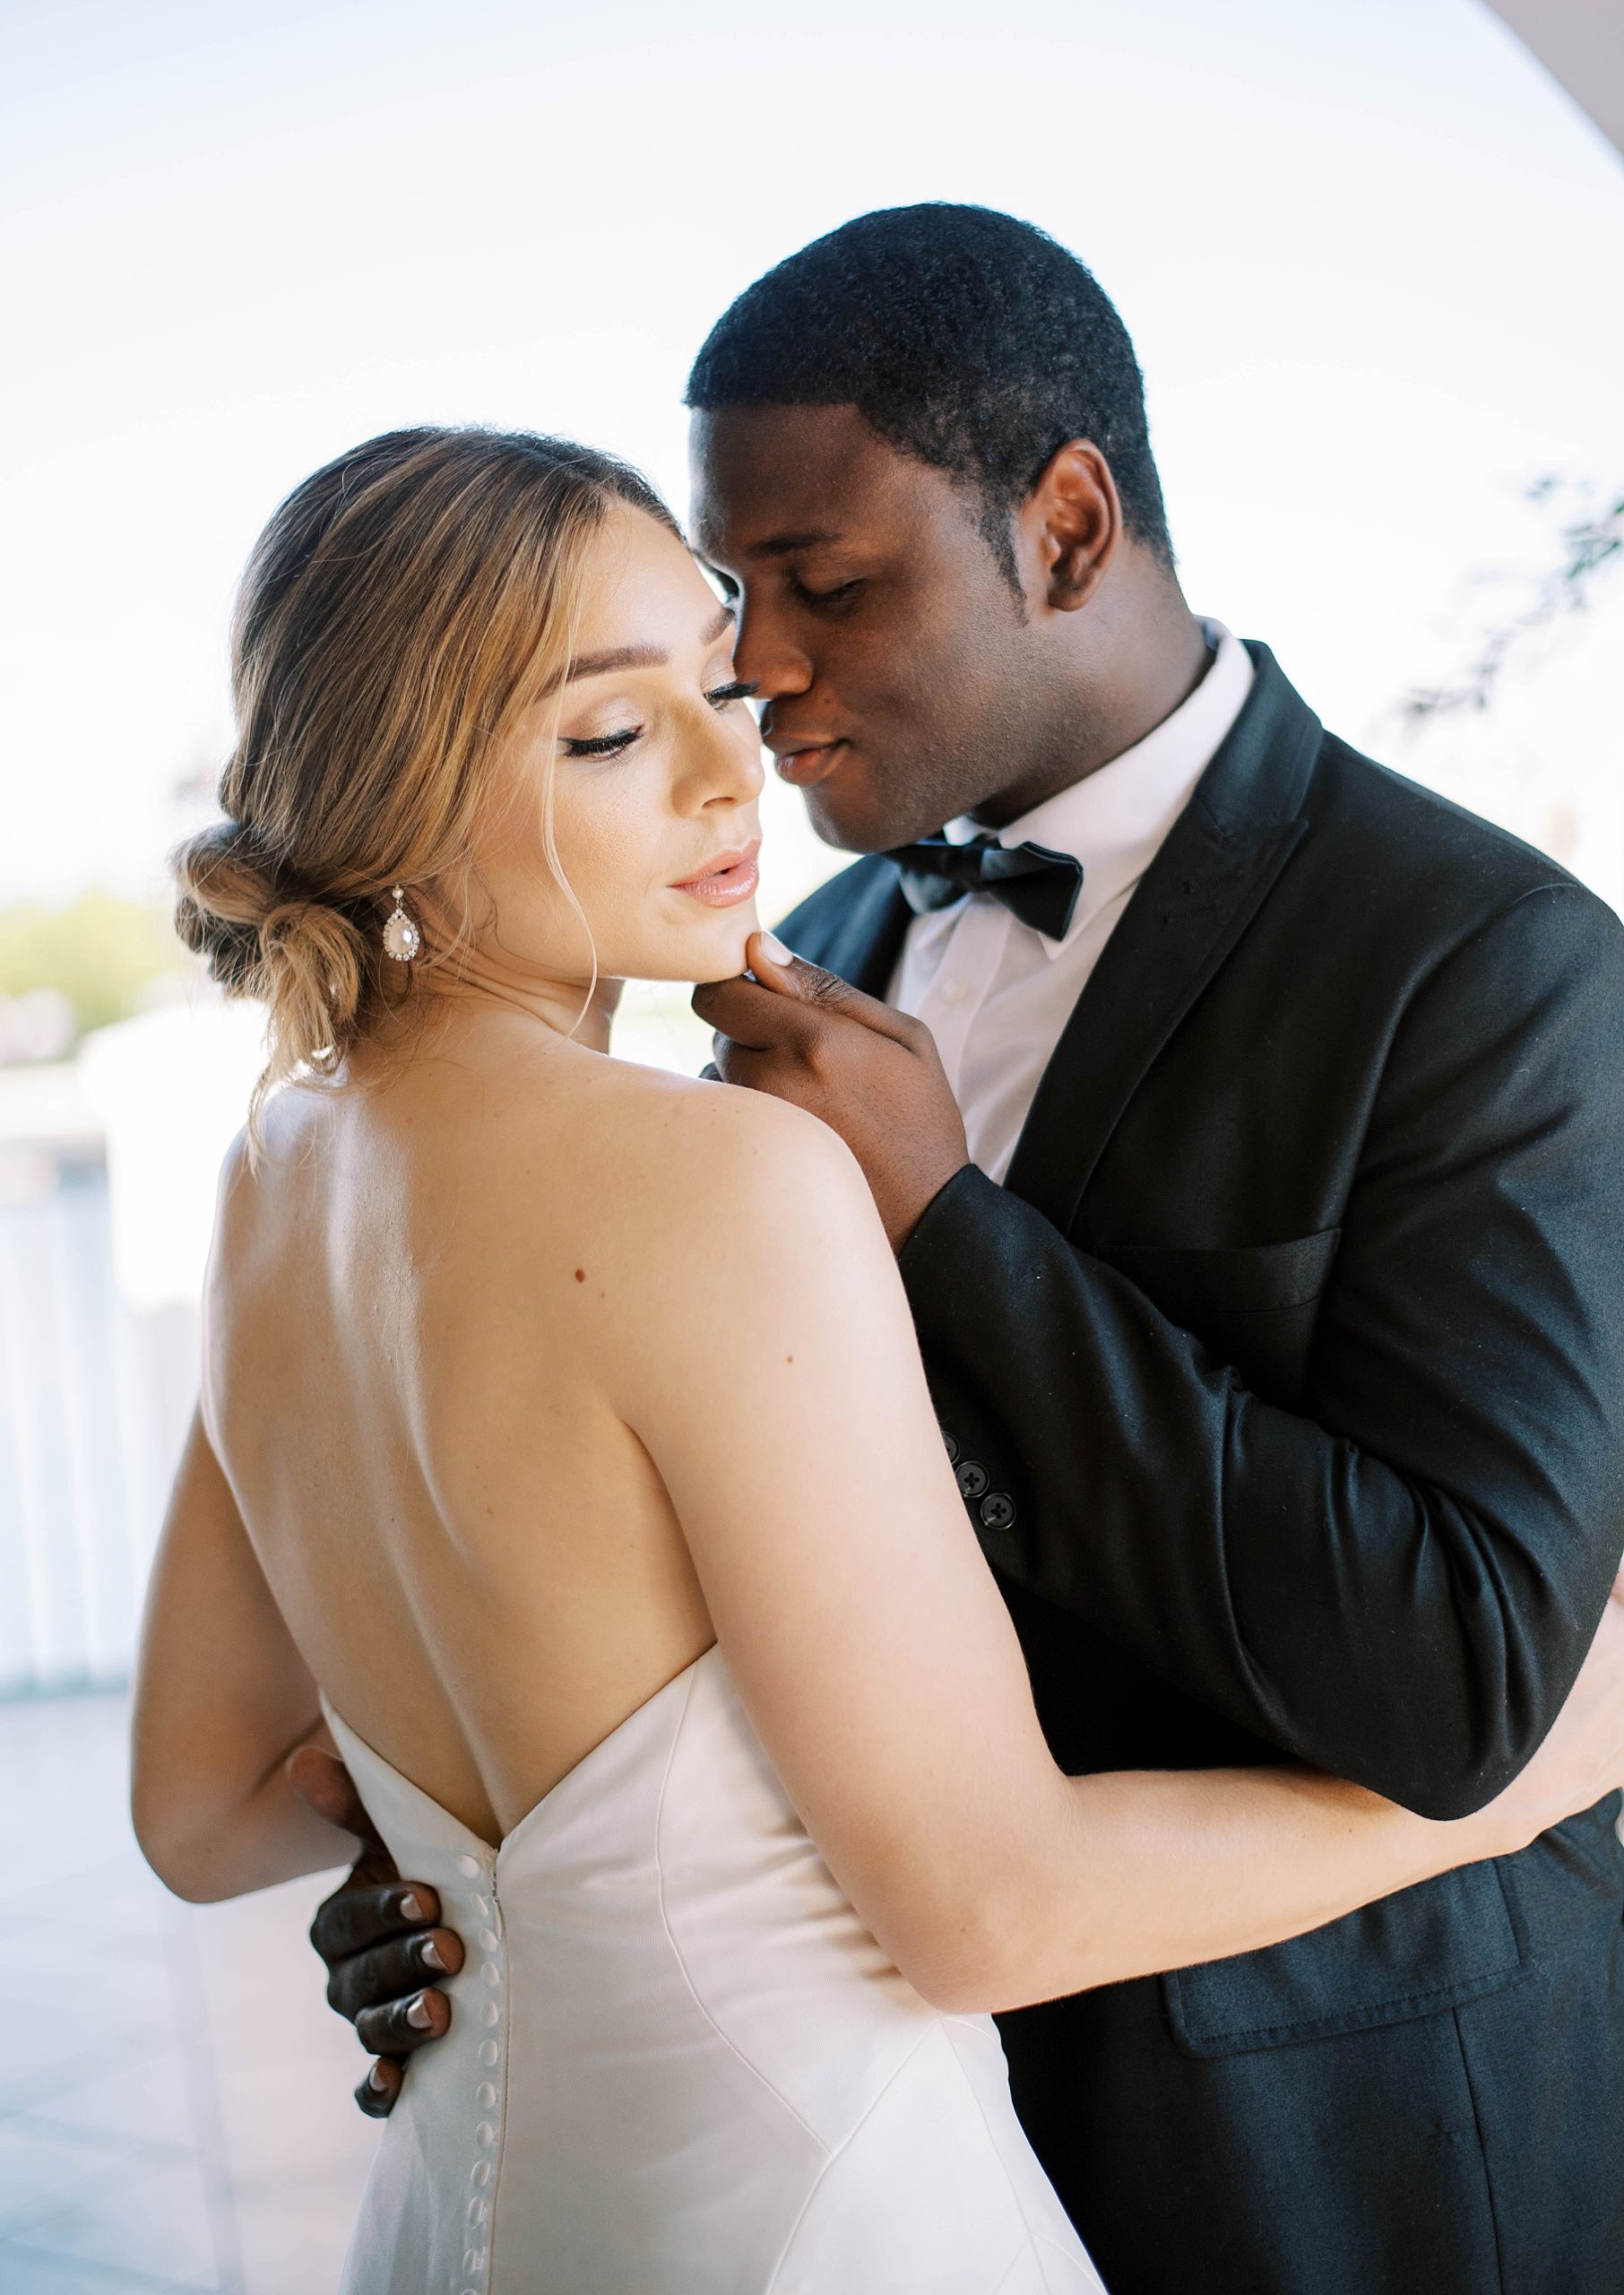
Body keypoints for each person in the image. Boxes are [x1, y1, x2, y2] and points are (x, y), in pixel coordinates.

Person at [129, 424, 1624, 2295]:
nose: (728, 758)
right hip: (810, 2209)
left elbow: (197, 1811)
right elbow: (988, 1908)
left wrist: (508, 1858)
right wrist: (1549, 1767)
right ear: (398, 801)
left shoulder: (275, 1161)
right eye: (609, 730)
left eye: (708, 671)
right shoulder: (725, 1162)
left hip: (480, 2202)